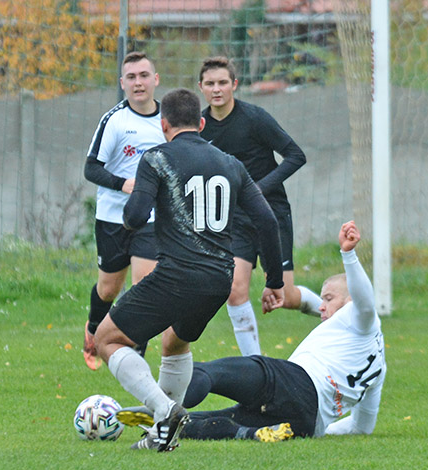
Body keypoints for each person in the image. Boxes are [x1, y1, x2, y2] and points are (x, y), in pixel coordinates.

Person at [94, 88, 285, 451]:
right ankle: (160, 437)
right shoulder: (231, 163)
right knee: (174, 340)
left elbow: (134, 217)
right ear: (200, 123)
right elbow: (267, 221)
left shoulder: (157, 158)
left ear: (163, 125)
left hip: (176, 274)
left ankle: (164, 410)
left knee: (107, 339)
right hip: (218, 279)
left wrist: (135, 211)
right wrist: (274, 280)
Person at [122, 221, 385, 443]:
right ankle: (248, 433)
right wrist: (322, 430)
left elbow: (365, 302)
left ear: (350, 301)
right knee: (216, 419)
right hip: (306, 424)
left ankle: (157, 404)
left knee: (204, 373)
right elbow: (362, 427)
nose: (322, 306)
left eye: (328, 298)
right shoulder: (377, 366)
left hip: (293, 383)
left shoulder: (361, 316)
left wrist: (349, 256)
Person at [198, 56, 322, 357]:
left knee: (285, 295)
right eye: (210, 83)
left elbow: (296, 155)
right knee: (235, 290)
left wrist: (257, 189)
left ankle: (339, 311)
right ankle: (257, 367)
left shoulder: (254, 118)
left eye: (223, 83)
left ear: (234, 85)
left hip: (271, 214)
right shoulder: (199, 127)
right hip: (235, 219)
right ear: (201, 87)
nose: (217, 89)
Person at [82, 51, 165, 370]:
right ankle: (93, 329)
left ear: (155, 80)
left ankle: (134, 353)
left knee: (143, 285)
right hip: (113, 219)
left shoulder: (167, 121)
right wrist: (124, 184)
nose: (138, 82)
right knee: (108, 288)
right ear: (122, 83)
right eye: (131, 77)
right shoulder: (115, 120)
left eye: (144, 75)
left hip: (151, 219)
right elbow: (91, 169)